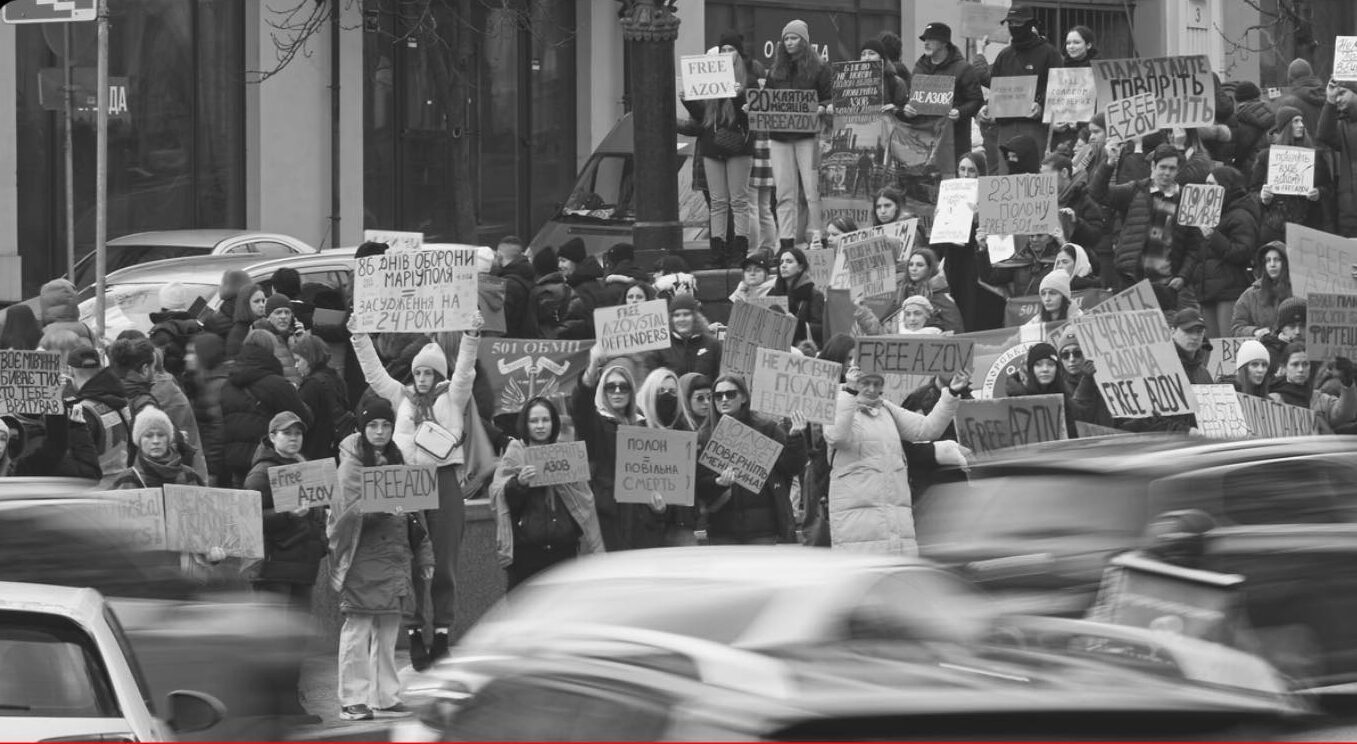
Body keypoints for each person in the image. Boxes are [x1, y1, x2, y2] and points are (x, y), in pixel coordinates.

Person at [349, 312, 483, 667]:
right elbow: (375, 375)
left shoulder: (453, 397)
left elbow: (466, 370)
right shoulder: (401, 397)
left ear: (439, 374)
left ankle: (441, 632)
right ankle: (413, 631)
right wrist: (359, 336)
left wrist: (471, 335)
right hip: (409, 483)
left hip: (443, 482)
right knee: (409, 560)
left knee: (443, 562)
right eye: (419, 372)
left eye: (429, 372)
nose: (422, 378)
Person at [327, 399, 433, 721]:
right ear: (362, 427)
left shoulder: (398, 462)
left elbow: (416, 517)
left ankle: (384, 696)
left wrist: (425, 553)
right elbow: (342, 519)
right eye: (373, 425)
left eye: (385, 425)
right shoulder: (350, 467)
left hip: (394, 557)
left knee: (388, 629)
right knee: (358, 628)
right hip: (362, 558)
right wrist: (374, 508)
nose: (380, 431)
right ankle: (352, 699)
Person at [824, 361, 966, 555]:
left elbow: (927, 429)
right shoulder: (837, 405)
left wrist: (951, 394)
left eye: (877, 383)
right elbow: (836, 436)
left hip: (896, 530)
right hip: (858, 534)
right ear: (854, 380)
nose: (872, 389)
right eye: (865, 382)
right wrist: (848, 392)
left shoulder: (887, 410)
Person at [490, 397, 605, 589]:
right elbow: (500, 498)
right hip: (526, 554)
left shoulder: (568, 454)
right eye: (534, 421)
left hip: (564, 552)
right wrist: (519, 484)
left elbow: (583, 499)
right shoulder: (515, 453)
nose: (540, 426)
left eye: (545, 420)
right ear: (525, 424)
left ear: (554, 422)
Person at [572, 345, 666, 551]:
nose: (617, 391)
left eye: (623, 387)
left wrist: (659, 507)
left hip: (643, 525)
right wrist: (591, 371)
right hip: (611, 521)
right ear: (601, 389)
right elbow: (580, 409)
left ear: (631, 391)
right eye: (610, 386)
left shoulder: (645, 426)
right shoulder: (596, 425)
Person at [694, 375, 806, 545]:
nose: (723, 399)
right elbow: (699, 484)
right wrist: (718, 483)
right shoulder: (704, 436)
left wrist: (795, 437)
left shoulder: (766, 428)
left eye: (730, 394)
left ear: (744, 397)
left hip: (764, 530)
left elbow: (791, 467)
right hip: (722, 530)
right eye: (718, 396)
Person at [1089, 142, 1203, 301]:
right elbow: (1097, 193)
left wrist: (1183, 276)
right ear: (1153, 167)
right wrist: (1109, 163)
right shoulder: (1135, 190)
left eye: (1171, 168)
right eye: (1163, 167)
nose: (1166, 173)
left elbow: (1195, 246)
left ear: (1178, 170)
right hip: (1130, 281)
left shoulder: (1188, 199)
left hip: (1166, 285)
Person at [682, 34, 756, 268]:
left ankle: (739, 252)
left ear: (739, 54)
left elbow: (751, 119)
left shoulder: (749, 81)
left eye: (731, 49)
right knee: (718, 202)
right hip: (712, 145)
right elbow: (702, 118)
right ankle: (718, 253)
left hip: (739, 146)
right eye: (723, 49)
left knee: (739, 200)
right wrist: (688, 101)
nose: (726, 53)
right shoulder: (710, 78)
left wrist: (738, 97)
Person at [244, 411, 326, 609]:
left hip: (304, 567)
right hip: (273, 569)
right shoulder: (261, 473)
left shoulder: (306, 468)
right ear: (272, 437)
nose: (293, 437)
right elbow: (249, 520)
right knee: (274, 636)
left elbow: (317, 512)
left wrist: (321, 541)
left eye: (298, 433)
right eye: (286, 432)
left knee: (298, 637)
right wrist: (287, 514)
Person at [766, 19, 833, 248]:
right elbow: (766, 98)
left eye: (794, 38)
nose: (789, 42)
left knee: (812, 190)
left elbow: (829, 95)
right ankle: (785, 241)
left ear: (804, 41)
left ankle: (819, 237)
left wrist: (824, 106)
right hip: (779, 137)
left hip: (808, 137)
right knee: (784, 192)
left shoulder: (821, 68)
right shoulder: (775, 71)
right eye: (786, 38)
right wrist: (753, 108)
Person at [221, 329, 313, 488]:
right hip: (270, 462)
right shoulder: (277, 385)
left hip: (235, 461)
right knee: (281, 510)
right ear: (271, 350)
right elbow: (304, 419)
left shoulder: (228, 384)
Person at [977, 5, 1061, 173]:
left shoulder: (1049, 53)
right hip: (1006, 129)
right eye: (1010, 22)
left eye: (1018, 23)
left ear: (1030, 24)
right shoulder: (1004, 55)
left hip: (1034, 128)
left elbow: (1058, 89)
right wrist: (989, 107)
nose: (1014, 26)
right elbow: (997, 88)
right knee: (1007, 175)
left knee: (1033, 175)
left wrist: (1041, 106)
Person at [903, 22, 984, 170]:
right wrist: (907, 109)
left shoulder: (963, 68)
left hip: (953, 141)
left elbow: (977, 100)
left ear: (944, 42)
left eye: (931, 40)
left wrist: (960, 112)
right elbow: (910, 98)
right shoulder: (919, 67)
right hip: (923, 142)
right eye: (924, 39)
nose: (926, 43)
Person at [1197, 165, 1260, 339]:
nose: (1206, 189)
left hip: (1229, 291)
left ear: (1225, 187)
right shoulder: (1209, 215)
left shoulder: (1241, 215)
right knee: (1212, 349)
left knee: (1228, 346)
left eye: (1212, 185)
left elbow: (1243, 252)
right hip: (1208, 291)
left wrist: (1213, 237)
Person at [1253, 106, 1332, 244]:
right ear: (1286, 126)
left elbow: (1329, 187)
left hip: (1308, 226)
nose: (1301, 125)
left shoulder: (1315, 156)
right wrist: (1262, 197)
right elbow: (1252, 191)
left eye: (1301, 121)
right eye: (1295, 121)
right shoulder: (1266, 156)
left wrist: (1319, 193)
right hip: (1275, 228)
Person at [1269, 343, 1357, 433]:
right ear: (1284, 367)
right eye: (1295, 364)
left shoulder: (1320, 398)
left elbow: (1345, 415)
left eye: (1305, 364)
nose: (1301, 369)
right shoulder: (1271, 399)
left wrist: (1347, 382)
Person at [294, 334, 350, 462]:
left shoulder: (311, 385)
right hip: (336, 451)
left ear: (309, 359)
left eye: (298, 360)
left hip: (314, 453)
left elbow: (302, 421)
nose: (296, 366)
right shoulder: (336, 378)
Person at [184, 334, 229, 485]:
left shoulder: (215, 387)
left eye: (191, 353)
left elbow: (217, 434)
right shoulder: (206, 381)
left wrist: (211, 472)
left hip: (215, 469)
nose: (187, 358)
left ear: (205, 354)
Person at [642, 295, 721, 380]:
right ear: (671, 319)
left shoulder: (712, 344)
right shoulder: (660, 347)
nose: (681, 319)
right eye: (677, 315)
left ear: (695, 317)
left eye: (686, 314)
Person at [1317, 79, 1357, 237]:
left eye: (1342, 93)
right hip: (1349, 214)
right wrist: (1329, 100)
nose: (1337, 98)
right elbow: (1324, 134)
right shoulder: (1344, 124)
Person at [1049, 26, 1098, 155]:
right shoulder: (1058, 68)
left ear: (1088, 45)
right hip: (1061, 135)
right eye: (1068, 43)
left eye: (1076, 42)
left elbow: (1101, 104)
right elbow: (1053, 100)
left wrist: (1081, 122)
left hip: (1088, 133)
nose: (1071, 46)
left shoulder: (1097, 69)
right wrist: (1051, 124)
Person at [555, 239, 614, 339]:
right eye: (559, 261)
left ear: (575, 262)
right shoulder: (587, 284)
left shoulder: (583, 288)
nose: (559, 266)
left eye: (563, 261)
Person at [1232, 241, 1291, 338]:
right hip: (1264, 348)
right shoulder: (1250, 295)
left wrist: (1291, 333)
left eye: (1277, 260)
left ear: (1286, 262)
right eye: (1268, 260)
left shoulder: (1299, 290)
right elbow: (1237, 328)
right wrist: (1255, 331)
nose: (1272, 264)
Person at [769, 247, 826, 345]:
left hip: (800, 348)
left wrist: (796, 324)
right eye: (781, 262)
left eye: (789, 262)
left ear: (800, 267)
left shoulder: (814, 295)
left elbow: (821, 330)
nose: (783, 265)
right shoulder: (772, 293)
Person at [490, 237, 538, 338]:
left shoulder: (507, 285)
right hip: (524, 341)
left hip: (508, 343)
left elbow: (502, 321)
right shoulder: (529, 275)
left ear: (499, 255)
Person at [255, 293, 301, 386]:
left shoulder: (294, 337)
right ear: (268, 316)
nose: (283, 316)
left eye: (287, 312)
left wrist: (302, 340)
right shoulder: (263, 341)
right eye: (278, 312)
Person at [1274, 59, 1328, 134]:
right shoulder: (1330, 98)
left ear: (1290, 79)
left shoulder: (1288, 103)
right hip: (1326, 145)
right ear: (1311, 74)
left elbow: (1284, 136)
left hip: (1301, 145)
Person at [1230, 82, 1273, 174]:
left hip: (1249, 170)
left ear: (1238, 100)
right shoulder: (1275, 114)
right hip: (1273, 168)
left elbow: (1237, 151)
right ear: (1258, 96)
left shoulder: (1238, 119)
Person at [200, 269, 252, 339]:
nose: (220, 287)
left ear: (228, 287)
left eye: (222, 283)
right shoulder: (256, 314)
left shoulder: (214, 321)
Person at [1170, 308, 1215, 385]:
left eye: (1199, 331)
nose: (1195, 337)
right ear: (1172, 332)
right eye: (1188, 331)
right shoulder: (1162, 368)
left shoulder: (1203, 373)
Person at [226, 283, 268, 356]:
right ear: (245, 304)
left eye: (263, 301)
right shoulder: (239, 333)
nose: (262, 305)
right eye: (257, 301)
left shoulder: (265, 324)